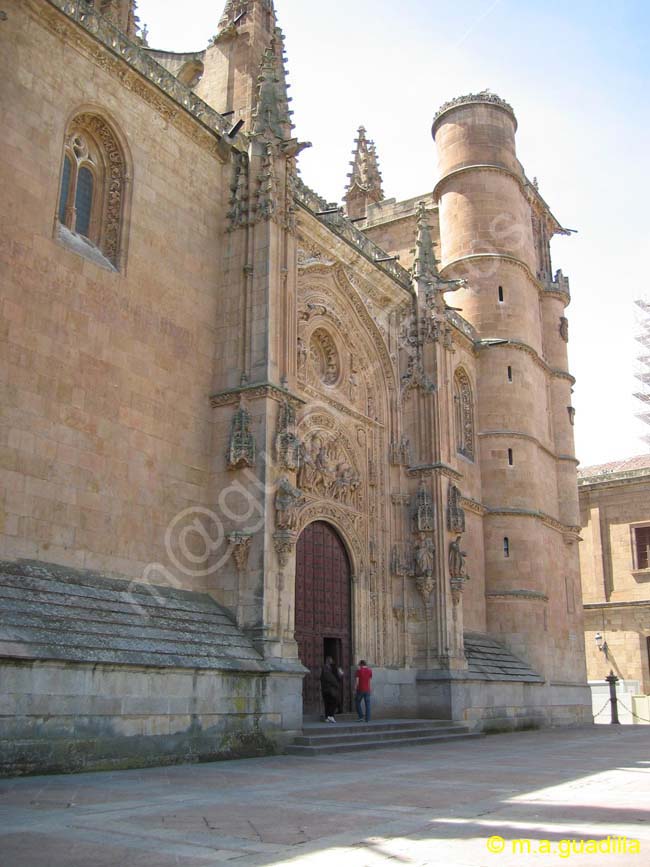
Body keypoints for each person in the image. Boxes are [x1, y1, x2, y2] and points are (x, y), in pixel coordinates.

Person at [320, 656, 342, 723]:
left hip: (326, 689)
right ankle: (331, 716)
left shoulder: (327, 669)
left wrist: (339, 674)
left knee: (327, 704)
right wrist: (337, 684)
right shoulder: (326, 669)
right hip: (329, 689)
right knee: (334, 702)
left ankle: (327, 717)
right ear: (328, 661)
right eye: (331, 661)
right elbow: (331, 679)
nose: (331, 662)